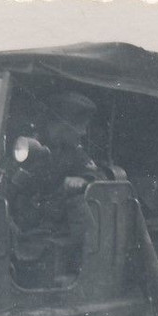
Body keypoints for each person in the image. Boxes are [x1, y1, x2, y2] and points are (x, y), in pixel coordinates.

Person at [10, 91, 104, 284]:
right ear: (63, 124)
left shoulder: (73, 152)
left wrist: (83, 180)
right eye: (81, 127)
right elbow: (9, 186)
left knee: (80, 203)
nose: (83, 133)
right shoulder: (28, 147)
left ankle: (76, 271)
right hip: (26, 221)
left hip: (53, 222)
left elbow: (96, 175)